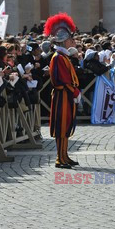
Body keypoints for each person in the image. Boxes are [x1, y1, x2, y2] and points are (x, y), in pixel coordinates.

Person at [44, 13, 80, 169]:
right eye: (71, 40)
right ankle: (60, 158)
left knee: (66, 126)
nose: (73, 42)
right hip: (62, 95)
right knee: (61, 127)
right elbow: (62, 80)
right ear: (65, 41)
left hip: (66, 94)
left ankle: (65, 155)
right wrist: (74, 91)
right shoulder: (58, 57)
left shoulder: (63, 56)